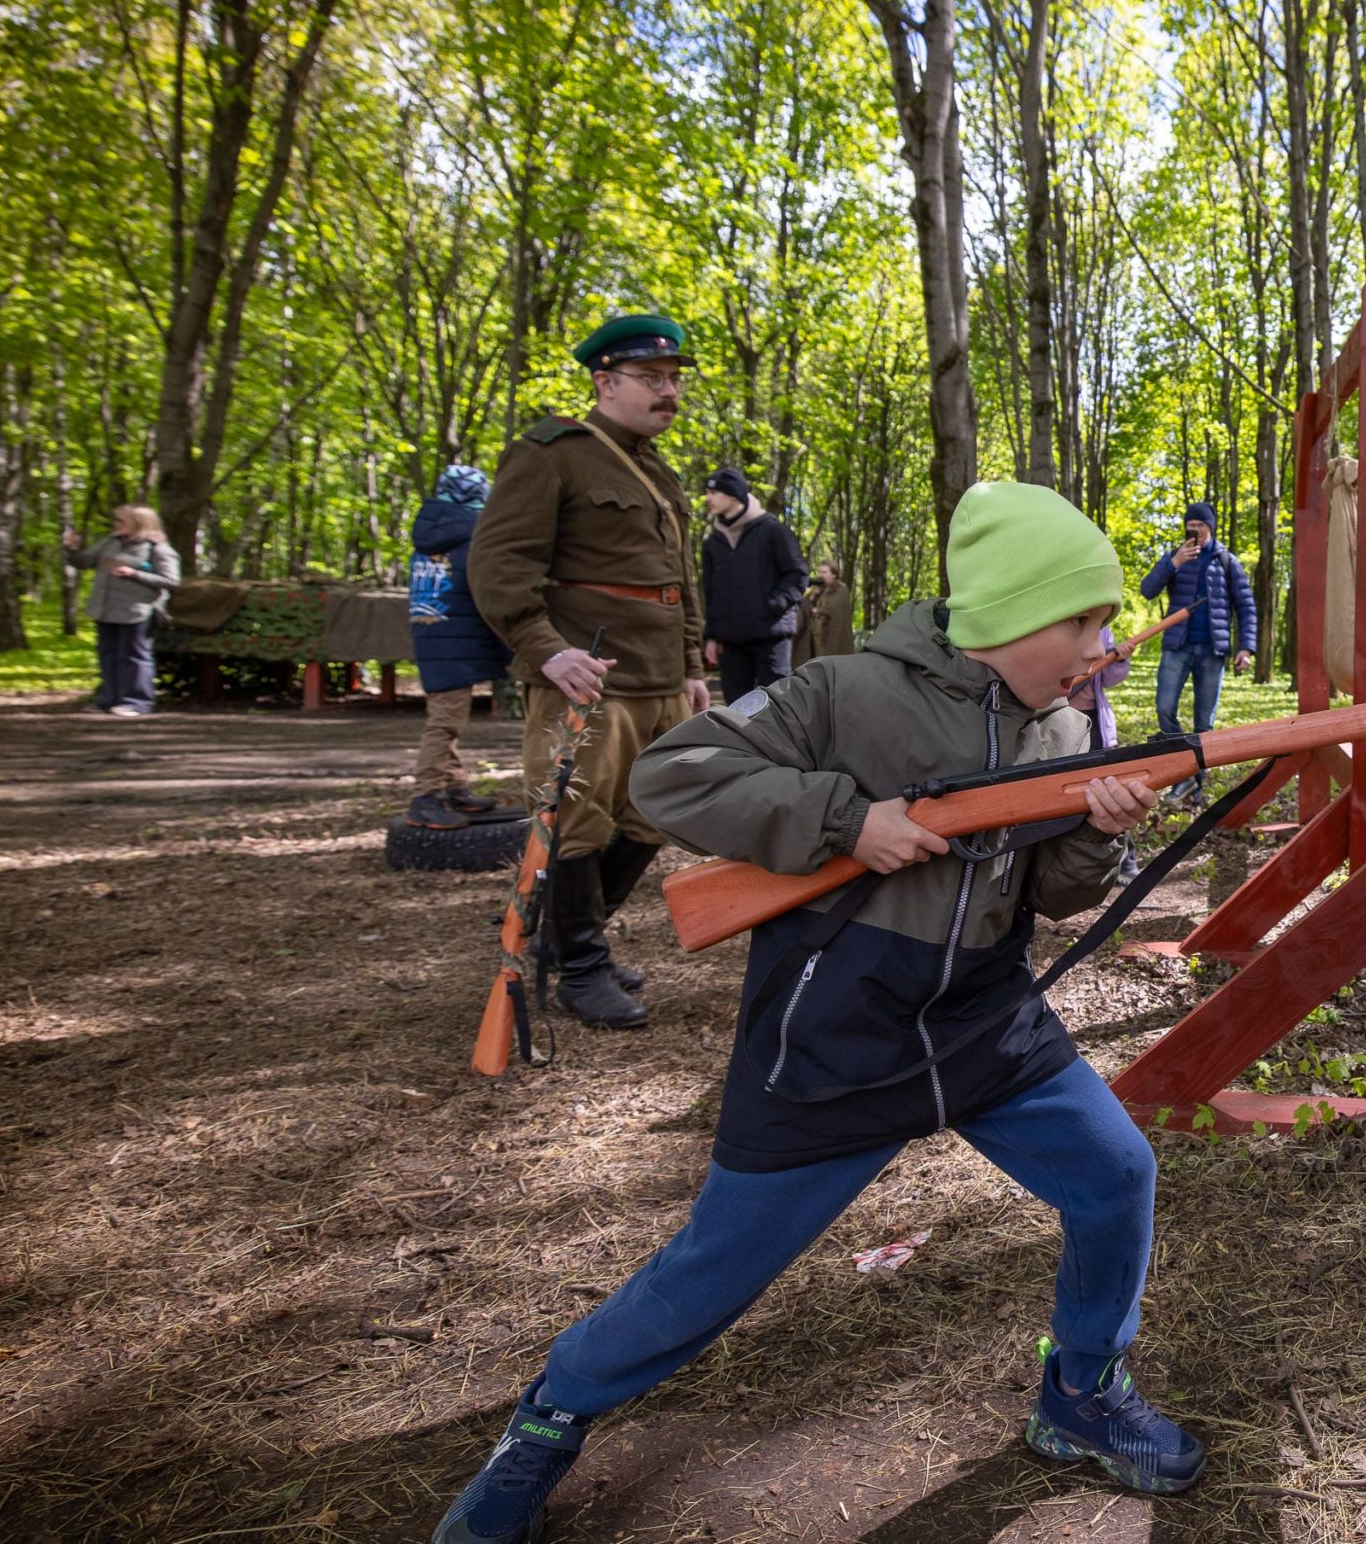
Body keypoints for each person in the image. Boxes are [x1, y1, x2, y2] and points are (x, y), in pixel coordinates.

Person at [429, 482, 1202, 1544]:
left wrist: (1099, 831)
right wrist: (848, 820)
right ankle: (549, 1417)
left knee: (1117, 1174)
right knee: (712, 1273)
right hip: (835, 1030)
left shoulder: (1064, 724)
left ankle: (1082, 1391)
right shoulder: (844, 690)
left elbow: (1055, 894)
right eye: (1082, 621)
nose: (1101, 645)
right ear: (1009, 615)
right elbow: (672, 774)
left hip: (984, 1020)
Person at [467, 314, 712, 1030]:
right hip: (587, 676)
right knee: (574, 821)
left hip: (659, 677)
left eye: (674, 380)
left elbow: (676, 582)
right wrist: (546, 649)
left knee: (652, 815)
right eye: (651, 378)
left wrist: (690, 663)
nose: (669, 392)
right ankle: (580, 968)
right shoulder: (551, 454)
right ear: (605, 382)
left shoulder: (655, 469)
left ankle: (565, 942)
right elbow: (498, 565)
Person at [405, 465, 514, 827]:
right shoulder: (474, 537)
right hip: (455, 642)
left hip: (432, 635)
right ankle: (425, 795)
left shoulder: (429, 536)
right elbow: (488, 594)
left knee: (444, 714)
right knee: (445, 722)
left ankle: (453, 786)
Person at [1136, 501, 1255, 801]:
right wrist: (1174, 563)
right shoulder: (1175, 557)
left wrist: (1246, 648)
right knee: (1164, 708)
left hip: (1213, 651)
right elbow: (1147, 590)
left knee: (1204, 723)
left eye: (1200, 525)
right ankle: (1184, 775)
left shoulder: (1226, 560)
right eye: (1190, 526)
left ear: (1210, 527)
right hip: (1178, 646)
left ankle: (1195, 785)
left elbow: (1246, 606)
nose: (1195, 530)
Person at [698, 467, 809, 703]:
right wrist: (711, 636)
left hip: (772, 636)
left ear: (734, 495)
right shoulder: (713, 542)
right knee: (736, 711)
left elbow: (797, 575)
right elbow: (711, 592)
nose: (708, 498)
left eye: (714, 492)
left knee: (776, 706)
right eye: (707, 492)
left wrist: (772, 606)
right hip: (731, 641)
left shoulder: (773, 530)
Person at [63, 505, 181, 717]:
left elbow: (171, 581)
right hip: (105, 609)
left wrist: (134, 574)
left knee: (134, 657)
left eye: (121, 521)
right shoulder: (111, 542)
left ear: (138, 523)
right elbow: (84, 562)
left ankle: (136, 702)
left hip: (136, 611)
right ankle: (107, 700)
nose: (115, 524)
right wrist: (72, 549)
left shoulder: (157, 548)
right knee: (108, 655)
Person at [798, 560, 858, 663]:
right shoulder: (818, 590)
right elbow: (804, 607)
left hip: (832, 641)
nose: (821, 575)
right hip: (816, 642)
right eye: (820, 572)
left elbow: (835, 610)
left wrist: (818, 610)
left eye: (825, 572)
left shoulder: (841, 589)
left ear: (834, 575)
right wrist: (813, 596)